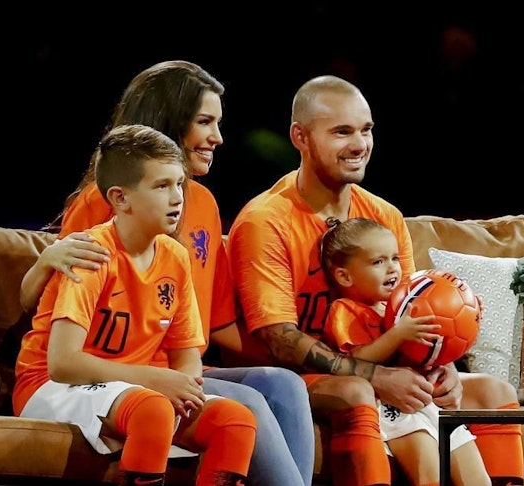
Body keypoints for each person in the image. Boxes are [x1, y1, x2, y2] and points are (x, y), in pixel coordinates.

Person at [18, 60, 313, 486]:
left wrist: (316, 357)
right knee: (246, 401)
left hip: (165, 363)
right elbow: (53, 313)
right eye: (205, 122)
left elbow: (214, 326)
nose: (218, 137)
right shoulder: (105, 212)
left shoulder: (199, 215)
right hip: (108, 369)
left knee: (282, 384)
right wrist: (45, 260)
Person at [227, 74, 524, 486]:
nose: (359, 144)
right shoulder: (265, 221)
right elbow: (280, 339)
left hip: (384, 362)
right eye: (341, 132)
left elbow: (413, 305)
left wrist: (440, 368)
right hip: (297, 379)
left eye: (366, 130)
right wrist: (377, 377)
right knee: (358, 392)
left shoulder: (384, 215)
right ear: (300, 136)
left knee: (494, 391)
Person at [13, 124, 255, 486]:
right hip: (49, 384)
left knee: (235, 421)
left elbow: (186, 354)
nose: (177, 198)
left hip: (131, 388)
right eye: (161, 186)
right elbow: (63, 363)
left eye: (179, 184)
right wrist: (155, 380)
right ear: (120, 198)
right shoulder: (91, 253)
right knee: (153, 408)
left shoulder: (175, 256)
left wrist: (184, 386)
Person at [320, 217, 490, 486]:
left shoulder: (405, 305)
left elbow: (437, 345)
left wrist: (468, 312)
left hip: (426, 401)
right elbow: (357, 359)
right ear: (344, 276)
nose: (392, 269)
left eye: (395, 259)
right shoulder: (344, 311)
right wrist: (398, 334)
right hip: (393, 408)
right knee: (429, 475)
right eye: (378, 262)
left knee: (475, 475)